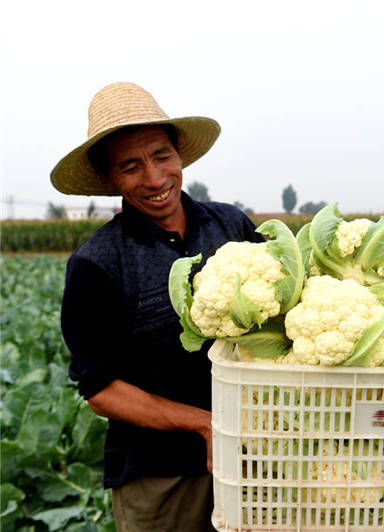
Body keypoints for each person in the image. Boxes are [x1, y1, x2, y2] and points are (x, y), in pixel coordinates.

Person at [52, 82, 263, 531]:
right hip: (160, 477)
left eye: (161, 156)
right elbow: (100, 389)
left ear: (179, 155)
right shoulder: (97, 263)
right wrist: (205, 423)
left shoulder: (232, 225)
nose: (153, 178)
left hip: (256, 459)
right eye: (131, 166)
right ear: (111, 178)